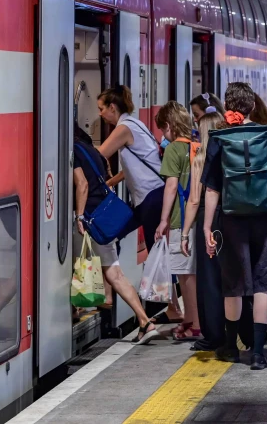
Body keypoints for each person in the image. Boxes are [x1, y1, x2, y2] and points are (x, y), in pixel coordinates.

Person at [202, 82, 267, 370]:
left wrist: (207, 226)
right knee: (261, 285)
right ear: (251, 105)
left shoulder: (219, 137)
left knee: (233, 284)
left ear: (229, 105)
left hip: (231, 219)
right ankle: (258, 352)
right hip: (264, 217)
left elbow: (212, 188)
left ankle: (230, 346)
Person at [96, 87, 180, 322]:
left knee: (157, 251)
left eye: (102, 109)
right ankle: (109, 292)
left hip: (151, 198)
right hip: (148, 198)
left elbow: (100, 154)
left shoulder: (124, 128)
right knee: (112, 235)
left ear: (113, 108)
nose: (100, 114)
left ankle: (174, 308)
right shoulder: (137, 124)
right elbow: (135, 164)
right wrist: (111, 182)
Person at [74, 125, 161, 344]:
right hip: (104, 215)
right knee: (116, 274)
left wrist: (79, 216)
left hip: (93, 221)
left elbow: (82, 185)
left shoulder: (73, 150)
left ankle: (143, 321)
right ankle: (145, 321)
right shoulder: (91, 149)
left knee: (105, 273)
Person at [154, 102, 201, 340]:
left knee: (186, 277)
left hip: (179, 221)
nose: (163, 135)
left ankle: (195, 324)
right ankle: (193, 320)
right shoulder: (197, 145)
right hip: (197, 219)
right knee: (191, 274)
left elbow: (171, 187)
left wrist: (163, 221)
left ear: (170, 126)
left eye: (163, 130)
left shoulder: (173, 149)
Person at [182, 111, 226, 351]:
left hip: (208, 220)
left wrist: (185, 232)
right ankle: (233, 331)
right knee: (228, 277)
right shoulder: (228, 152)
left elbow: (194, 200)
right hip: (229, 218)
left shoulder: (201, 157)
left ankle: (212, 334)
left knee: (208, 279)